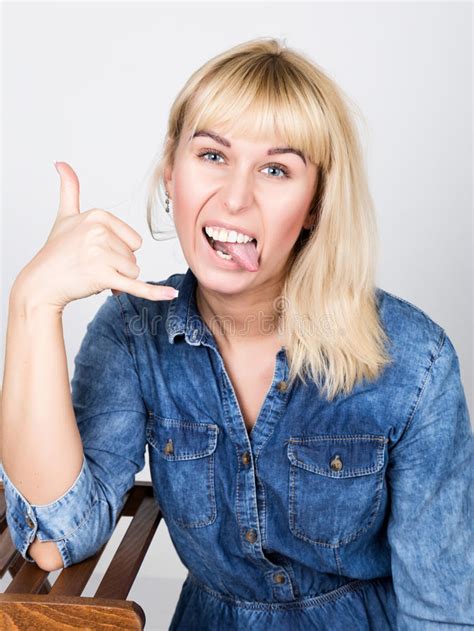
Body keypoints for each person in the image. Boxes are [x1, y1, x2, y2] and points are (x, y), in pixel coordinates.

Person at [1, 37, 472, 630]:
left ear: (316, 204)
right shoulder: (132, 333)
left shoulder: (414, 360)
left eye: (276, 169)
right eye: (213, 156)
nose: (236, 197)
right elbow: (55, 542)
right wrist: (32, 303)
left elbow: (444, 611)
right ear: (171, 171)